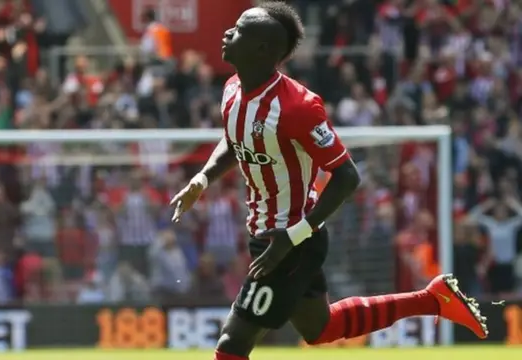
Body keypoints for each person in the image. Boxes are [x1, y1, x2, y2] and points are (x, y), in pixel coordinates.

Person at [169, 3, 488, 360]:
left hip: (292, 240)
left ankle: (433, 299)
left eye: (240, 30)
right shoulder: (231, 89)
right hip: (266, 235)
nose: (228, 33)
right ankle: (433, 299)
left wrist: (292, 237)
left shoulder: (298, 107)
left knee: (233, 342)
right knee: (321, 328)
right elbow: (234, 139)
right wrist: (203, 177)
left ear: (264, 49)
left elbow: (347, 176)